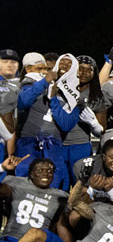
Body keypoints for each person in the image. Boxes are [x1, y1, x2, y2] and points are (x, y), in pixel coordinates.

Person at [15, 54, 84, 191]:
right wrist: (45, 82)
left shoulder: (76, 95)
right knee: (23, 183)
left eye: (69, 64)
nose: (64, 66)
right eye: (62, 62)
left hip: (54, 145)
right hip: (28, 141)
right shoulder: (36, 82)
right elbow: (22, 102)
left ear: (75, 68)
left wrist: (53, 99)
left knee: (55, 185)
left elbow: (66, 124)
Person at [0, 156, 69, 242]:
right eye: (40, 170)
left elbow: (61, 224)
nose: (45, 174)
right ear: (31, 173)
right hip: (11, 238)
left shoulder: (60, 196)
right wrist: (2, 168)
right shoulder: (16, 183)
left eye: (49, 171)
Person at [63, 55, 110, 185]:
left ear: (94, 73)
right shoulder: (60, 88)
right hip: (57, 143)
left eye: (89, 69)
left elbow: (102, 131)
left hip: (80, 145)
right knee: (60, 182)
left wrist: (93, 123)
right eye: (80, 68)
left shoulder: (96, 95)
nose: (84, 72)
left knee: (80, 184)